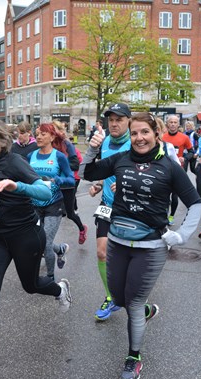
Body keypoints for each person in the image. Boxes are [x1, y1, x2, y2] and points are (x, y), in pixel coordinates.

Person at [82, 112, 201, 379]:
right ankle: (146, 312)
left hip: (150, 246)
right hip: (117, 241)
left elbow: (195, 202)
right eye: (134, 133)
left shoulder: (170, 166)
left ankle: (133, 357)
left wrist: (182, 234)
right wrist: (91, 149)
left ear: (156, 134)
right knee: (119, 298)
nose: (139, 138)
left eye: (145, 132)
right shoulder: (120, 160)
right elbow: (86, 174)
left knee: (133, 302)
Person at [0, 118, 71, 372]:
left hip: (26, 235)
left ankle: (59, 289)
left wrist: (16, 185)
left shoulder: (14, 162)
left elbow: (44, 192)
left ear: (1, 141)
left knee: (30, 286)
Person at [78, 103, 131, 321]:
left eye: (119, 119)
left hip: (130, 207)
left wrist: (127, 184)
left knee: (129, 256)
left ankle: (134, 295)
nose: (115, 123)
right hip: (107, 204)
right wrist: (99, 183)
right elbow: (96, 170)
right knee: (101, 251)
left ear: (129, 120)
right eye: (111, 120)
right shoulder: (105, 142)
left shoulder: (136, 142)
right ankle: (111, 297)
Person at [28, 123, 74, 281]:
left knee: (46, 243)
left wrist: (57, 180)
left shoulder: (59, 157)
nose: (39, 137)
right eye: (37, 134)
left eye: (43, 134)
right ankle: (60, 249)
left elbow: (71, 180)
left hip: (53, 204)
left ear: (52, 137)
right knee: (36, 240)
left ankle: (50, 278)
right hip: (34, 204)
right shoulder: (31, 156)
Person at [52, 120, 88, 245]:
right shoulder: (48, 145)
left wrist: (59, 166)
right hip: (53, 185)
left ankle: (82, 229)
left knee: (70, 213)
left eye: (53, 129)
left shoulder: (67, 144)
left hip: (67, 185)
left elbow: (75, 164)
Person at [161, 114, 193, 225]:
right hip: (164, 170)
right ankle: (163, 215)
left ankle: (171, 216)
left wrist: (184, 158)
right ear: (167, 124)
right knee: (163, 195)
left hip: (178, 171)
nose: (173, 124)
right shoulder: (163, 137)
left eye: (175, 122)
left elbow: (191, 152)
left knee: (175, 196)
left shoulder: (184, 138)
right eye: (171, 122)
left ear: (178, 124)